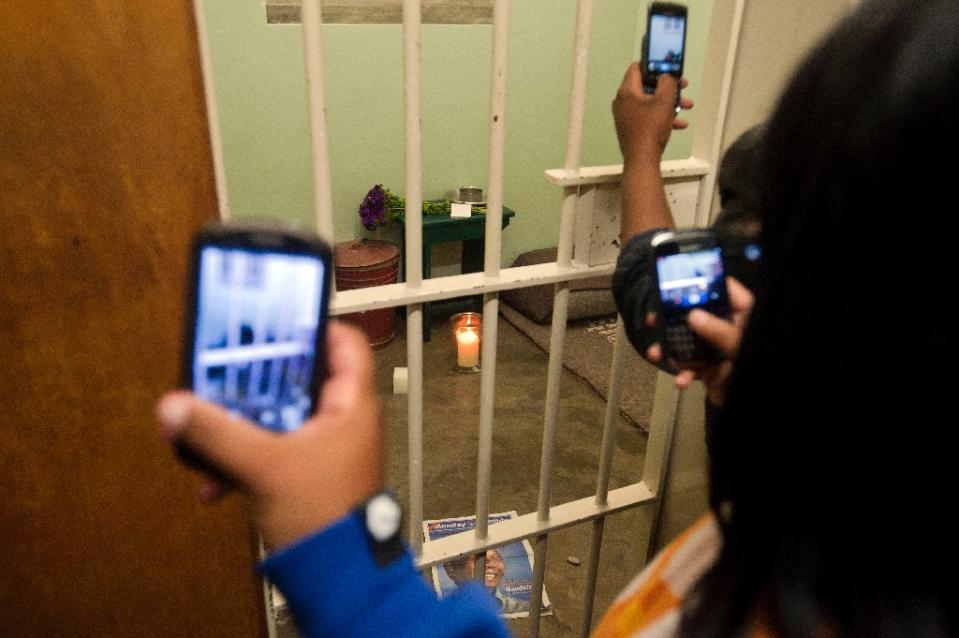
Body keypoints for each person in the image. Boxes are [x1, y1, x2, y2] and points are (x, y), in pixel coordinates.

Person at [157, 1, 958, 635]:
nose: (709, 294)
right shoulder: (801, 510)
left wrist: (347, 563)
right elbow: (652, 282)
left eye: (762, 261)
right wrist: (640, 153)